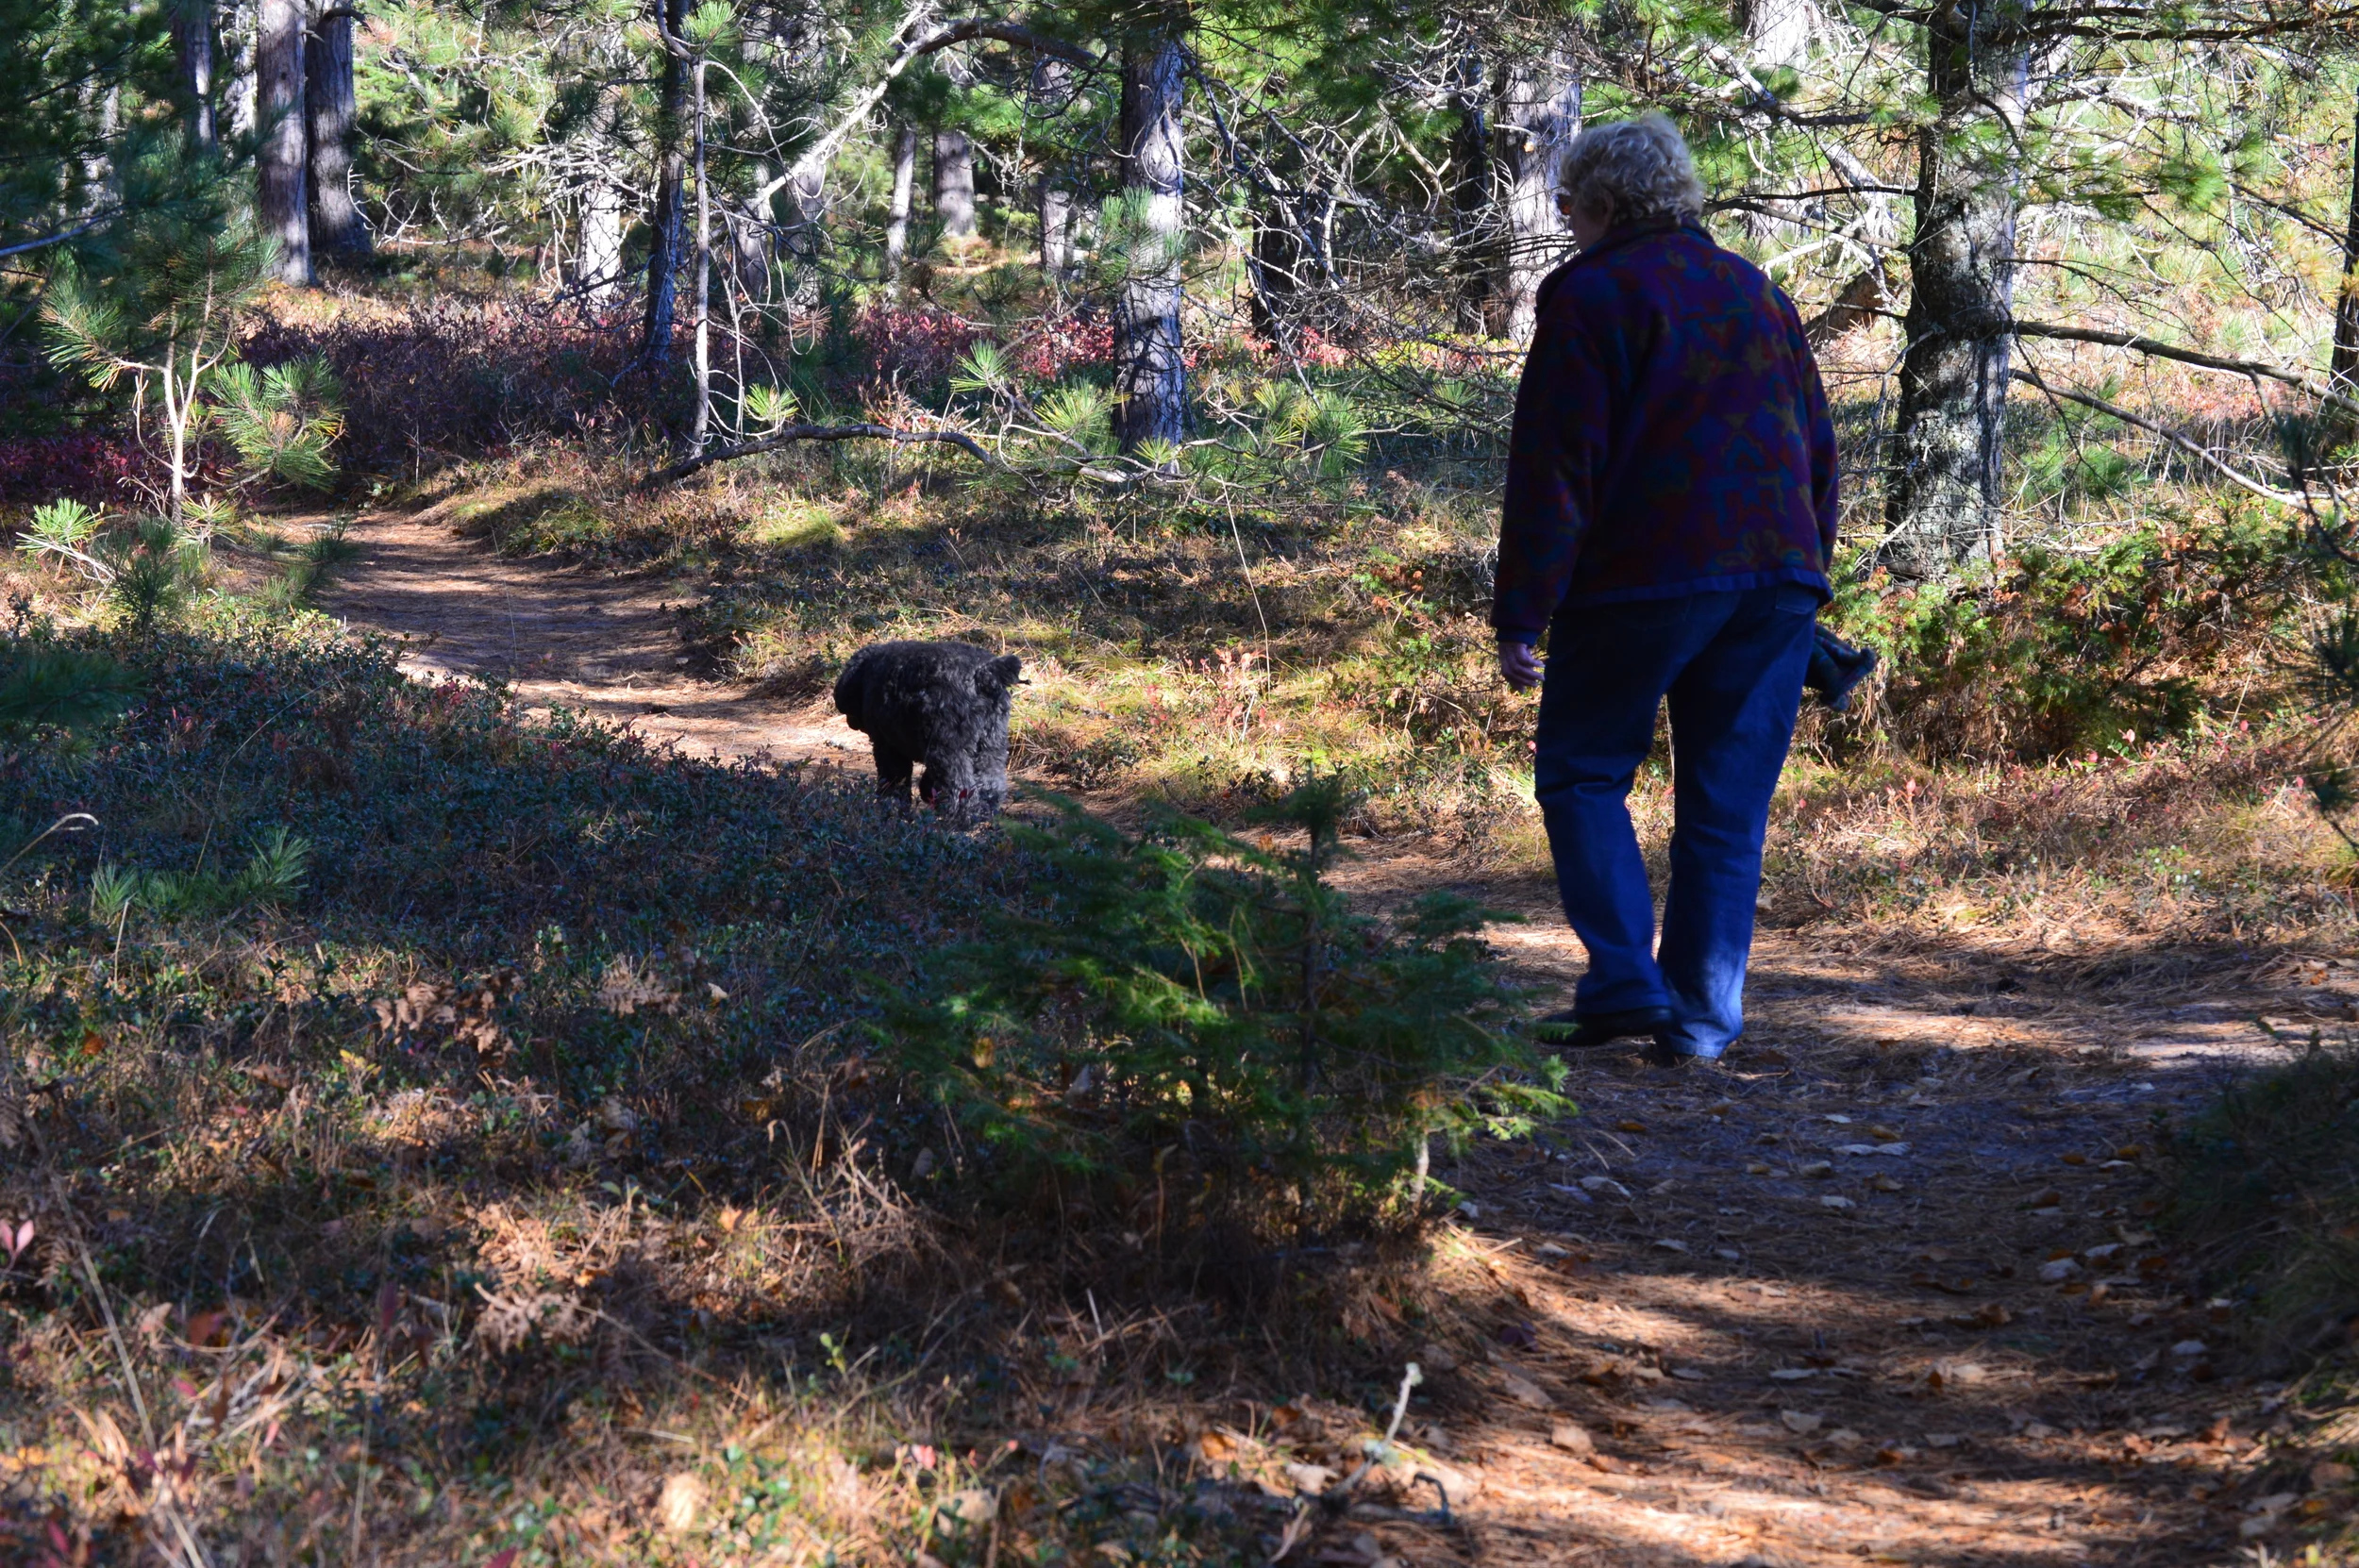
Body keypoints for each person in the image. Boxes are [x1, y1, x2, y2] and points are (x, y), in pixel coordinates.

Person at [1493, 111, 1839, 1069]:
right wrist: (1809, 577)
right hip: (1776, 580)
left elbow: (1555, 466)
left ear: (1600, 203)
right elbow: (1817, 448)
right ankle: (1697, 1025)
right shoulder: (1753, 291)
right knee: (1726, 811)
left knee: (1583, 772)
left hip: (1641, 580)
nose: (1563, 218)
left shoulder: (1592, 293)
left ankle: (1622, 981)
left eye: (1568, 202)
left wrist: (1522, 609)